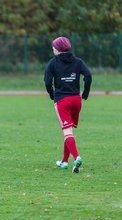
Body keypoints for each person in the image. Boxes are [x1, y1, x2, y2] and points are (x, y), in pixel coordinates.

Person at [44, 36, 92, 173]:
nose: (52, 49)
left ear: (57, 49)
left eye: (53, 47)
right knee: (69, 131)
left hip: (62, 100)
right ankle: (64, 161)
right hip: (76, 100)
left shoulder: (52, 63)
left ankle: (77, 157)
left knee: (67, 132)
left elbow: (47, 82)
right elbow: (88, 75)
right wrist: (85, 93)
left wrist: (52, 94)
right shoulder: (78, 62)